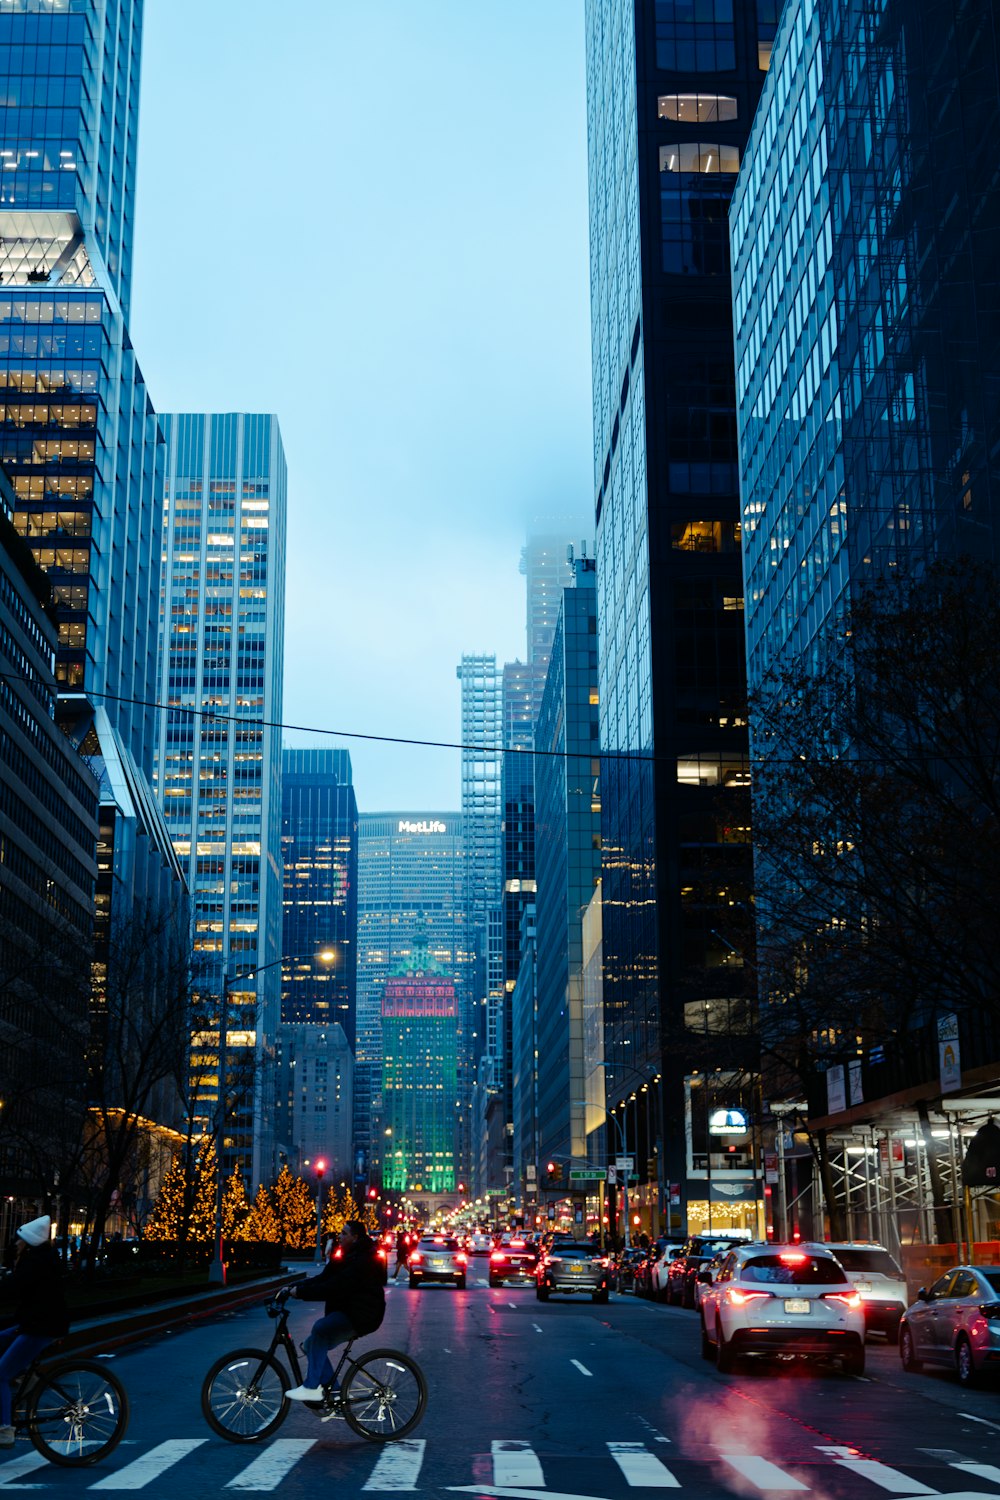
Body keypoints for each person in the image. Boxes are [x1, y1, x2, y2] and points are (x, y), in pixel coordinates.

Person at [284, 1220, 385, 1400]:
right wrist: (294, 1286)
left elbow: (335, 1286)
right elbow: (323, 1278)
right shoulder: (346, 1256)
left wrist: (301, 1293)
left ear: (355, 1237)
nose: (340, 1236)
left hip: (362, 1315)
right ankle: (335, 1394)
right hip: (349, 1311)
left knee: (320, 1328)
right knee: (310, 1344)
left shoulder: (362, 1259)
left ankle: (311, 1387)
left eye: (344, 1233)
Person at [0, 1216, 70, 1447]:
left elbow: (13, 1288)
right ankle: (23, 1380)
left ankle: (5, 1429)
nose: (15, 1243)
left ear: (27, 1242)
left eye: (18, 1240)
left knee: (0, 1374)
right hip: (38, 1322)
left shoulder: (34, 1262)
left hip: (40, 1327)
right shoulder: (41, 1258)